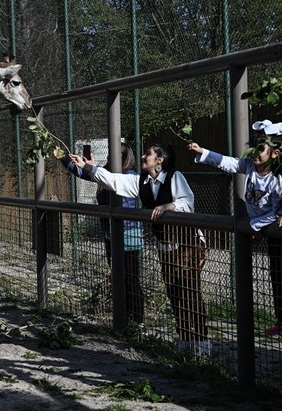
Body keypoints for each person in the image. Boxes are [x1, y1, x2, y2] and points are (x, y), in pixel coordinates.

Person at [67, 143, 209, 357]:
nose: (143, 156)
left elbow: (187, 202)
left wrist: (168, 206)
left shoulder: (174, 177)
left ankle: (202, 343)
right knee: (173, 292)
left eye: (149, 154)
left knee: (189, 292)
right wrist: (89, 168)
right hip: (166, 245)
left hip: (187, 244)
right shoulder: (141, 181)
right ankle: (185, 339)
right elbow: (115, 181)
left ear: (160, 159)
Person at [188, 119, 282, 337]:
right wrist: (203, 151)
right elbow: (228, 162)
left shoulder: (278, 178)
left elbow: (279, 211)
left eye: (260, 149)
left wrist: (252, 225)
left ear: (275, 153)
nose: (254, 152)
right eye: (253, 147)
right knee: (276, 275)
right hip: (270, 230)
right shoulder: (250, 166)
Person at [60, 143, 145, 325]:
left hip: (128, 235)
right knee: (118, 277)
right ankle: (124, 317)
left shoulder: (130, 176)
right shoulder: (107, 172)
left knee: (130, 279)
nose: (110, 160)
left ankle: (137, 320)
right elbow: (85, 173)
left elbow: (113, 185)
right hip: (110, 235)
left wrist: (95, 169)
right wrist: (64, 158)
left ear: (123, 158)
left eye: (113, 157)